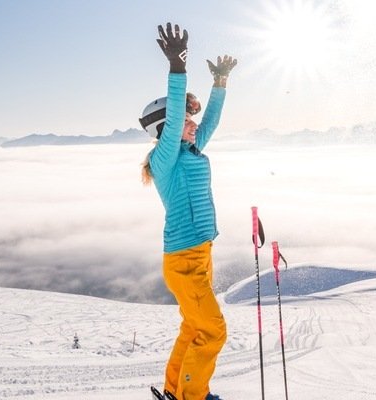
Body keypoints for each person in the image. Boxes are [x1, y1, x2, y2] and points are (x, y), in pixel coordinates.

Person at [138, 22, 237, 400]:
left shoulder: (190, 150)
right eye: (185, 120)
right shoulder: (164, 159)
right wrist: (177, 67)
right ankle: (191, 397)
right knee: (213, 331)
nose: (194, 124)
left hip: (200, 253)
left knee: (194, 328)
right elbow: (178, 109)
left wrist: (220, 82)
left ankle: (174, 390)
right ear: (167, 128)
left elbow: (210, 120)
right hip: (183, 260)